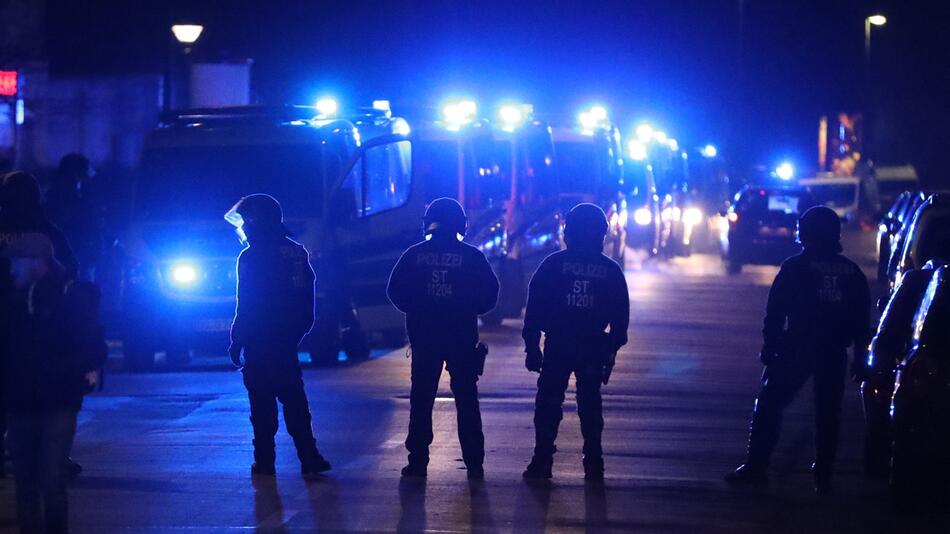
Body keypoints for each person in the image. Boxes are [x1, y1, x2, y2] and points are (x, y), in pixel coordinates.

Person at [726, 206, 871, 494]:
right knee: (828, 413)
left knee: (769, 405)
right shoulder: (852, 272)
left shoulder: (795, 267)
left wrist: (771, 344)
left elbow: (776, 310)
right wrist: (862, 357)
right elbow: (861, 320)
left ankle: (757, 467)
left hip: (797, 347)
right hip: (832, 351)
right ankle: (824, 474)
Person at [387, 198, 499, 479]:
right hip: (461, 337)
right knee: (467, 400)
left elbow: (395, 291)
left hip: (425, 338)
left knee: (421, 399)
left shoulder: (413, 255)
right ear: (461, 224)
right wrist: (468, 309)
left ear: (429, 223)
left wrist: (419, 308)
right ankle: (474, 463)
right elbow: (491, 293)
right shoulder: (473, 257)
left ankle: (417, 461)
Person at [1, 233, 106, 534]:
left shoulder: (68, 297)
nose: (11, 269)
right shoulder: (12, 300)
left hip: (55, 401)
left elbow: (92, 348)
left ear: (38, 262)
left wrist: (57, 372)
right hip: (24, 401)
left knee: (48, 480)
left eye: (17, 262)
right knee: (30, 483)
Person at [225, 194, 331, 479]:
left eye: (247, 222)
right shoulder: (296, 252)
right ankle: (309, 456)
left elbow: (246, 302)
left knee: (262, 406)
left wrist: (237, 339)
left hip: (260, 341)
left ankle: (264, 462)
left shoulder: (251, 257)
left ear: (257, 222)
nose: (244, 228)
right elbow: (306, 297)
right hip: (286, 341)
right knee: (295, 400)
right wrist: (296, 332)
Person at [521, 203, 630, 481]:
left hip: (558, 345)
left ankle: (542, 460)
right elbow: (620, 320)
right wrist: (611, 351)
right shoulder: (610, 271)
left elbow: (534, 312)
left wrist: (532, 348)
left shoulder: (552, 266)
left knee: (547, 404)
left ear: (568, 232)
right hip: (593, 346)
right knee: (590, 405)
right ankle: (594, 463)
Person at [0, 171, 81, 481]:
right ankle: (54, 456)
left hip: (11, 324)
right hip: (37, 326)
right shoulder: (45, 230)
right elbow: (70, 269)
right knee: (43, 393)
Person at [44, 154, 104, 282]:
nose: (90, 177)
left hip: (67, 258)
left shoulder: (52, 197)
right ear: (78, 175)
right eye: (87, 172)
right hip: (75, 258)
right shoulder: (77, 201)